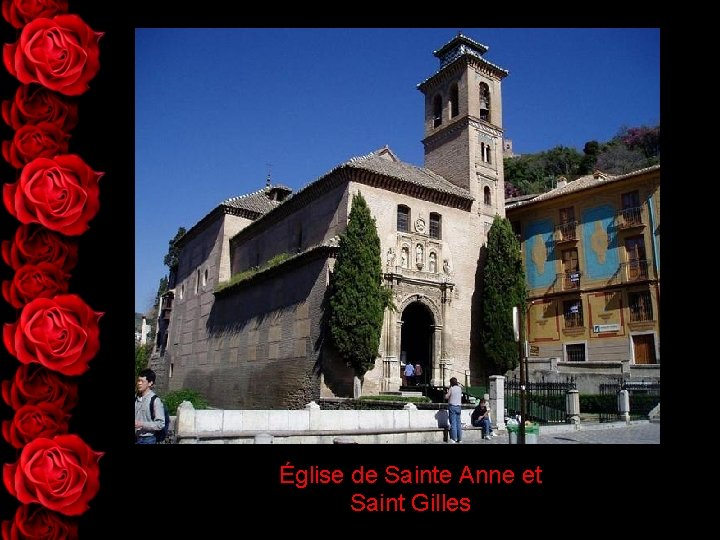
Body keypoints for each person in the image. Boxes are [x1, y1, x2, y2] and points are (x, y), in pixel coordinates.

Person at [135, 368, 166, 444]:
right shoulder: (136, 397)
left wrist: (141, 424)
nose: (139, 383)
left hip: (148, 440)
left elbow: (160, 424)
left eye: (142, 381)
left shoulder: (155, 400)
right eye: (138, 381)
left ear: (150, 383)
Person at [444, 377, 463, 443]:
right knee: (458, 423)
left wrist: (446, 393)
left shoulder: (451, 389)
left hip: (453, 407)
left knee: (453, 423)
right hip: (459, 407)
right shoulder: (460, 389)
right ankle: (460, 438)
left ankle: (454, 438)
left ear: (451, 382)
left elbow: (447, 396)